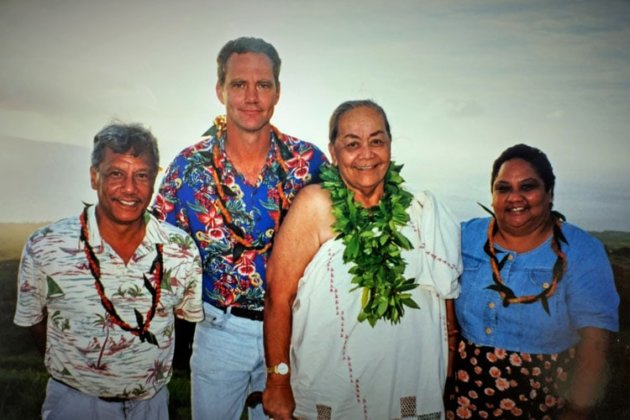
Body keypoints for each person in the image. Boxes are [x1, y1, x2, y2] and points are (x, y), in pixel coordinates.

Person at [153, 36, 327, 419]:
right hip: (220, 331)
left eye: (263, 84)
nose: (251, 96)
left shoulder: (309, 163)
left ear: (277, 92)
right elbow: (157, 254)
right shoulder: (187, 169)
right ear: (220, 90)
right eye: (238, 84)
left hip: (295, 335)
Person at [262, 99, 463, 420]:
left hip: (404, 384)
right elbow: (278, 296)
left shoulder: (418, 211)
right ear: (333, 151)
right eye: (352, 144)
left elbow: (443, 297)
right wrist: (277, 380)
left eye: (377, 141)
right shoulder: (315, 205)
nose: (366, 153)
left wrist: (450, 363)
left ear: (390, 146)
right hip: (333, 385)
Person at [13, 123, 203, 420]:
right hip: (74, 404)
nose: (130, 188)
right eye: (116, 173)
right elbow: (35, 323)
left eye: (142, 175)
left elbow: (182, 322)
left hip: (151, 405)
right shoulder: (46, 245)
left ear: (154, 180)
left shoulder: (181, 249)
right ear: (93, 176)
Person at [445, 144, 619, 419]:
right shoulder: (465, 237)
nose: (515, 198)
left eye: (528, 187)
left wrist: (578, 410)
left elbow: (595, 341)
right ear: (492, 196)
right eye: (503, 188)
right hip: (464, 398)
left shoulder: (582, 250)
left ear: (549, 194)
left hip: (543, 401)